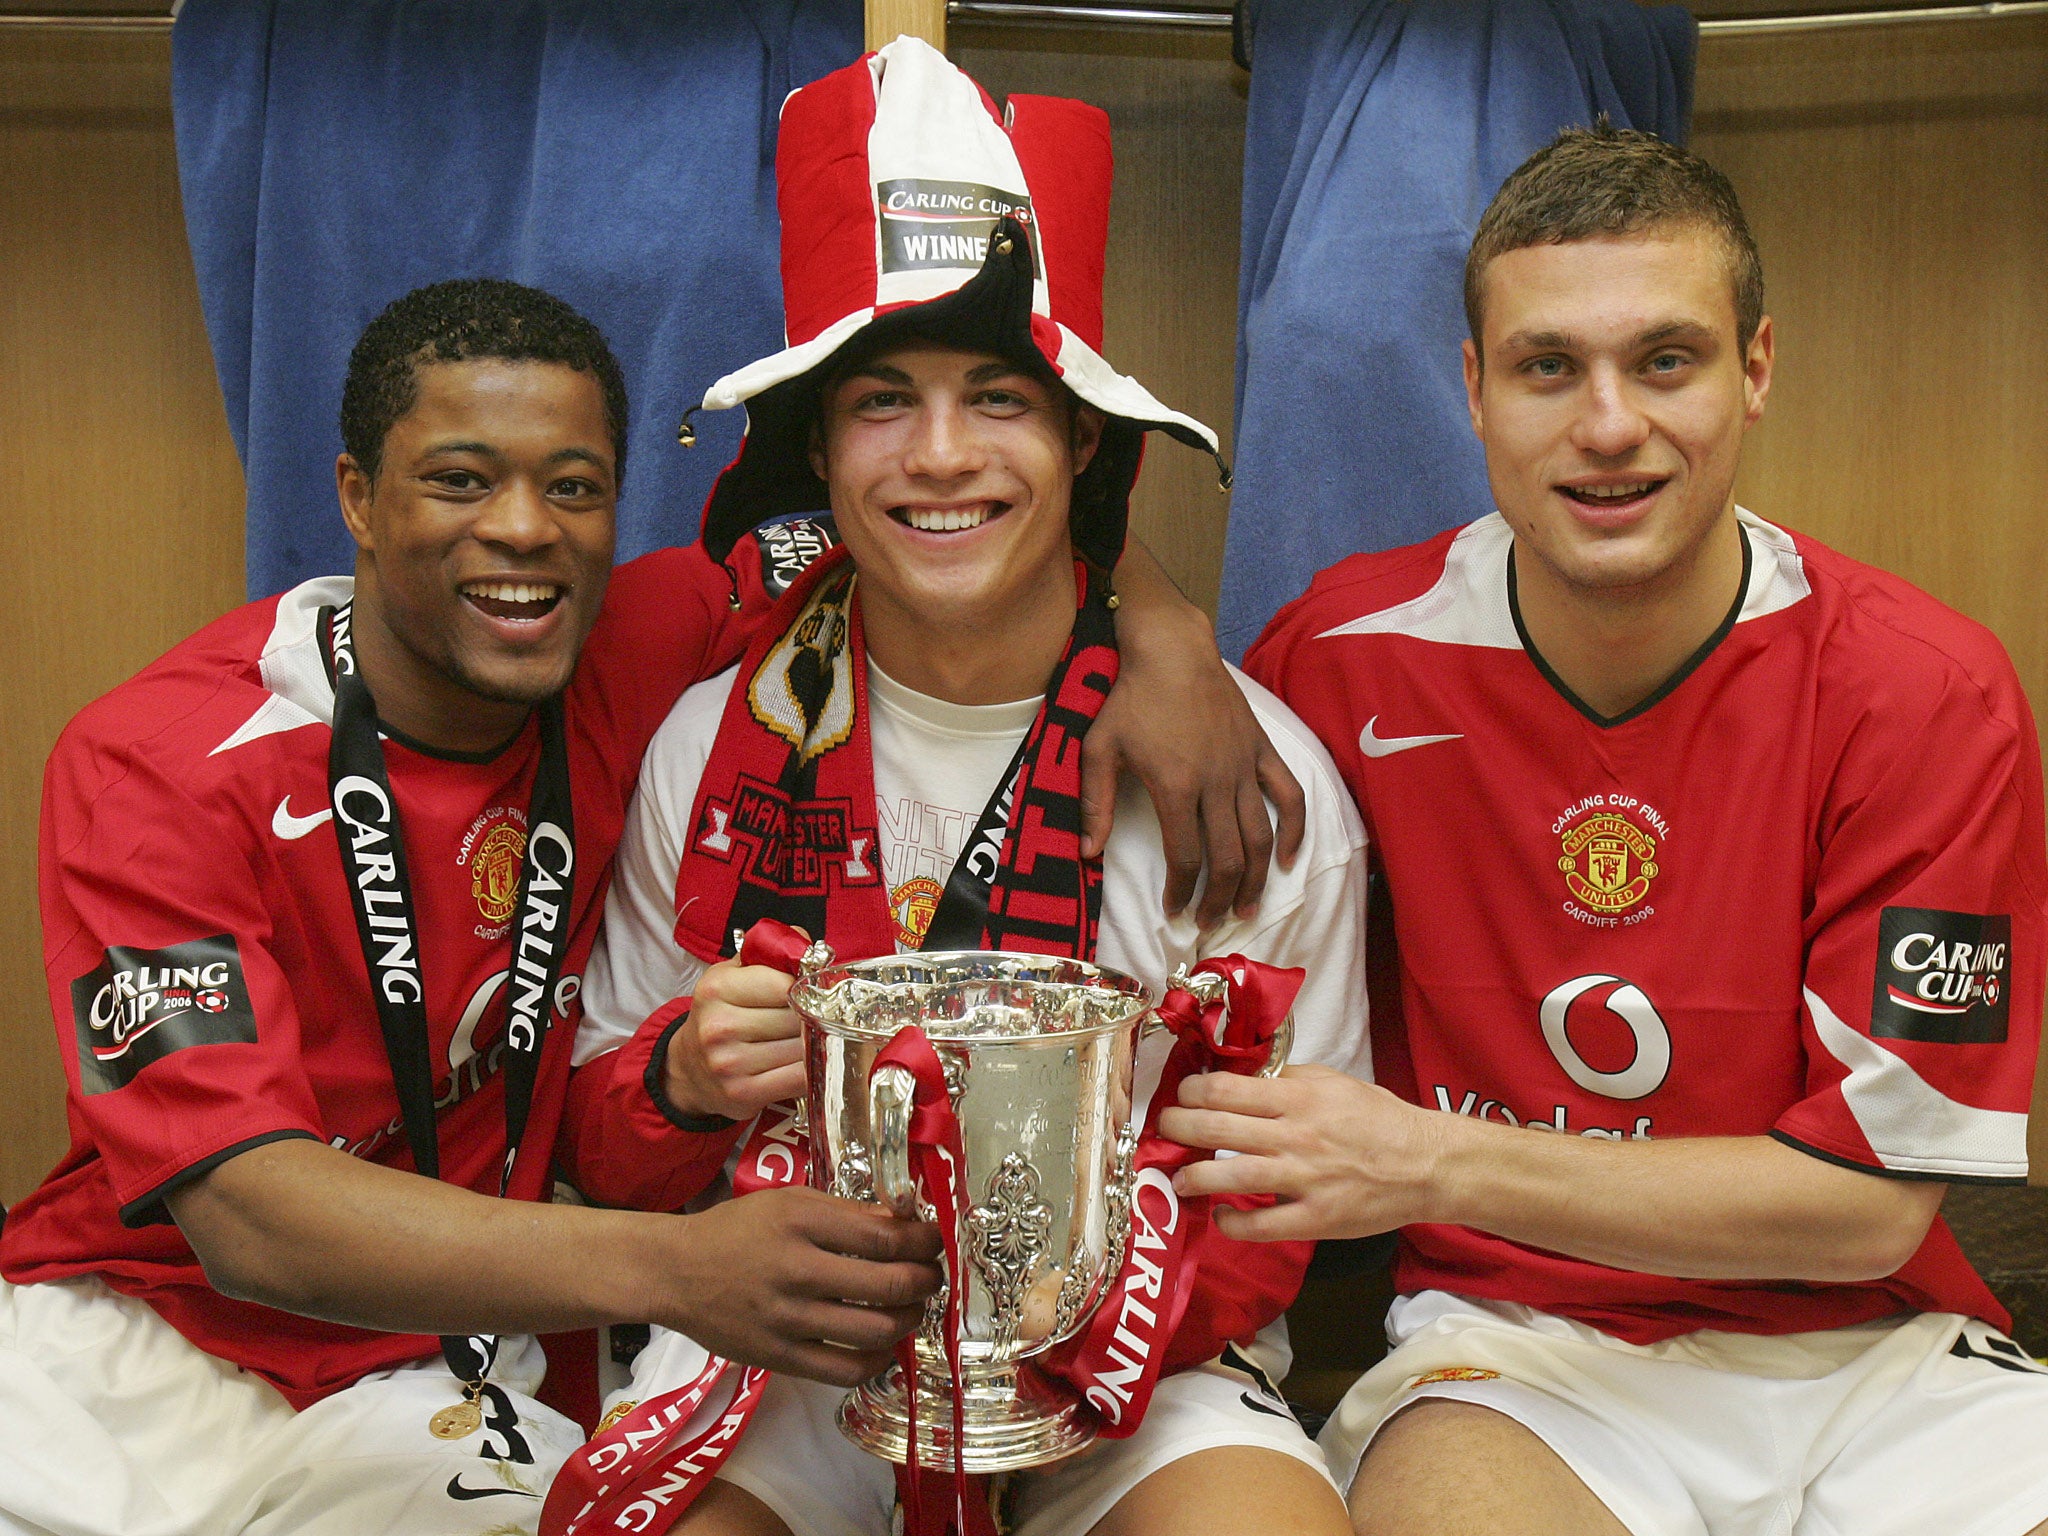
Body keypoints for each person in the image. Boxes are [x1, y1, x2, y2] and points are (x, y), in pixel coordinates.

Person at [0, 277, 1300, 1536]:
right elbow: (244, 1219)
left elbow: (947, 515)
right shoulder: (162, 759)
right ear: (355, 496)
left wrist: (1162, 631)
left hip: (443, 1380)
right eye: (459, 478)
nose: (521, 529)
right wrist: (680, 1267)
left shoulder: (642, 631)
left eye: (573, 489)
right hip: (125, 1342)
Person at [1163, 126, 2048, 1536]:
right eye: (1547, 367)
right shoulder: (1345, 653)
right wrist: (1156, 635)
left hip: (1877, 1364)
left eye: (1667, 359)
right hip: (1516, 1360)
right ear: (1473, 388)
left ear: (1757, 369)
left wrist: (1426, 1161)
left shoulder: (1921, 689)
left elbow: (1868, 1212)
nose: (1609, 423)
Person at [572, 38, 1370, 1536]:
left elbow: (1291, 1199)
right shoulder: (713, 738)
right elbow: (601, 1148)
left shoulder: (1245, 776)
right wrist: (684, 1076)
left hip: (1149, 1364)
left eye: (999, 398)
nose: (941, 458)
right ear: (819, 445)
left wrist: (1070, 1327)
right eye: (885, 402)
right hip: (778, 1350)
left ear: (1080, 437)